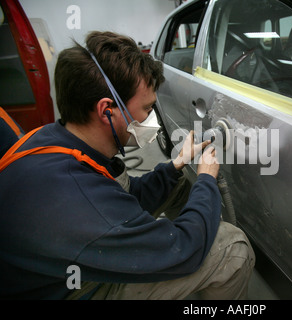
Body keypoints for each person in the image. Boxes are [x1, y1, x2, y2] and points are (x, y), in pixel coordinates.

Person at [0, 31, 255, 300]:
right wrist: (205, 181)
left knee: (175, 182)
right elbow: (185, 250)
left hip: (56, 269)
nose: (151, 119)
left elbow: (123, 196)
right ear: (106, 110)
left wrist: (175, 165)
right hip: (71, 290)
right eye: (146, 109)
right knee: (231, 247)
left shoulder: (54, 139)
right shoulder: (81, 203)